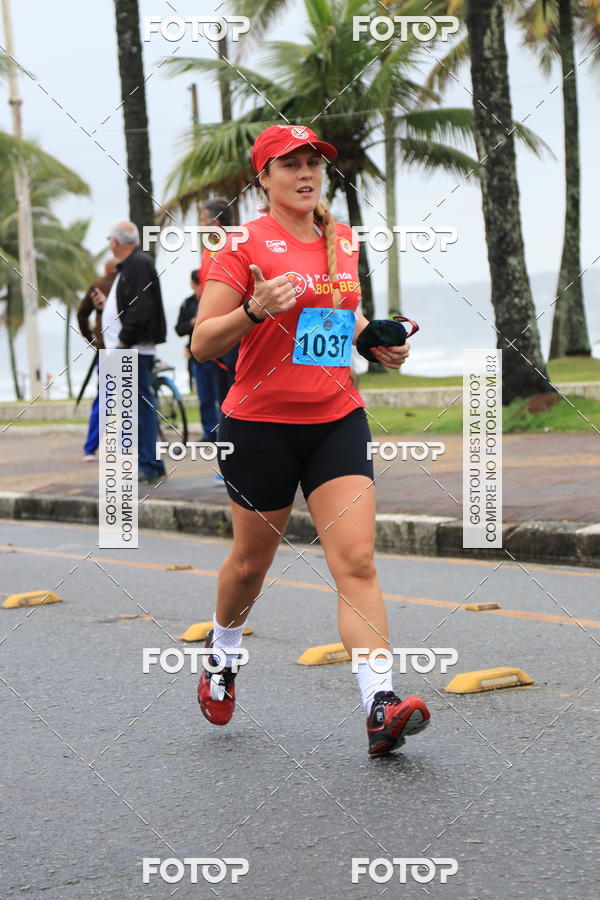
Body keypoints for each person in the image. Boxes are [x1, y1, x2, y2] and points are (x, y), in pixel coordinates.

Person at [190, 124, 430, 757]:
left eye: (313, 163)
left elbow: (338, 320)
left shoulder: (341, 239)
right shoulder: (239, 243)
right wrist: (253, 310)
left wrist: (372, 341)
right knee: (250, 566)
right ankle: (224, 648)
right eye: (289, 164)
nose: (306, 173)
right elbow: (202, 341)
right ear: (263, 178)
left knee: (356, 562)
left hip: (335, 419)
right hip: (260, 424)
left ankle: (380, 703)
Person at [91, 221, 167, 484]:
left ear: (116, 242)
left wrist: (123, 340)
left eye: (110, 239)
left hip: (131, 349)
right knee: (134, 410)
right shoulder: (131, 266)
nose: (109, 244)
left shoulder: (138, 264)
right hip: (127, 348)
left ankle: (148, 463)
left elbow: (141, 306)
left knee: (138, 410)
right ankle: (150, 463)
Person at [198, 197, 239, 404]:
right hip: (212, 329)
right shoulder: (209, 249)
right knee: (221, 397)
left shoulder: (235, 246)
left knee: (235, 390)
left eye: (202, 220)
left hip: (232, 330)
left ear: (216, 223)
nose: (199, 226)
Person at [77, 258, 117, 461]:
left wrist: (90, 338)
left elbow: (81, 314)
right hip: (130, 346)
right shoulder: (126, 283)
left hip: (105, 349)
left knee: (104, 399)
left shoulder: (97, 286)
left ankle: (90, 448)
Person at [175, 270, 219, 442]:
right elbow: (179, 329)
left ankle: (224, 431)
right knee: (205, 396)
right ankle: (209, 432)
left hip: (218, 355)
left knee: (222, 395)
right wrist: (193, 323)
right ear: (194, 284)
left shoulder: (216, 298)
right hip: (198, 356)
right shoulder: (187, 304)